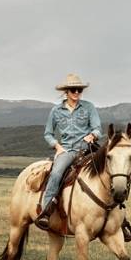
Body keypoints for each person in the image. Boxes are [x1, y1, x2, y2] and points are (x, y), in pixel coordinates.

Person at [35, 74, 103, 229]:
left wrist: (92, 135)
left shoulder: (89, 107)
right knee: (57, 173)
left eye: (79, 90)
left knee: (109, 171)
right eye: (74, 90)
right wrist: (57, 147)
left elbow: (98, 128)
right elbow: (48, 133)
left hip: (87, 149)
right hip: (67, 150)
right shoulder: (56, 111)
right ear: (66, 92)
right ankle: (46, 211)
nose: (77, 93)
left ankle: (121, 219)